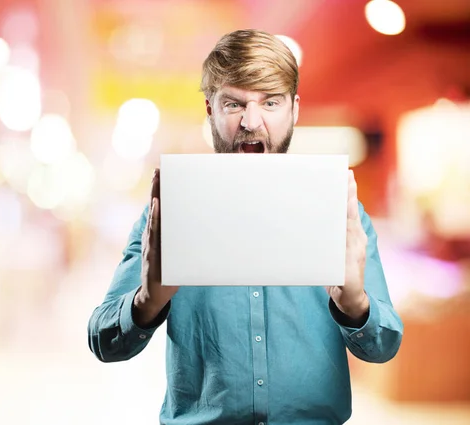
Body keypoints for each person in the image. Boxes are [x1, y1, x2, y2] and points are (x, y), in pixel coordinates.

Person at [88, 29, 403, 425]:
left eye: (270, 102)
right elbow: (103, 340)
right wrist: (145, 303)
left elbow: (384, 345)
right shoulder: (170, 210)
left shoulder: (339, 210)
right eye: (234, 103)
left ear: (295, 109)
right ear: (210, 110)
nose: (251, 122)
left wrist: (356, 305)